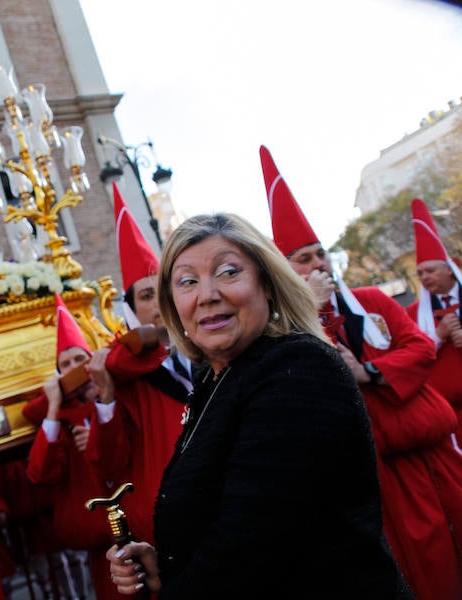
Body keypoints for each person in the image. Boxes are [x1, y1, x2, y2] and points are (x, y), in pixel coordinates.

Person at [106, 213, 409, 598]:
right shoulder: (214, 378)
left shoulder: (298, 369)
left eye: (228, 272)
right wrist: (165, 562)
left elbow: (251, 547)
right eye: (187, 281)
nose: (207, 294)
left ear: (267, 283)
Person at [260, 145, 462, 600]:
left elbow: (418, 348)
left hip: (432, 448)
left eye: (320, 254)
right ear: (286, 273)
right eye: (304, 260)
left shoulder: (372, 300)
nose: (318, 265)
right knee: (424, 569)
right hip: (380, 472)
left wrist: (370, 371)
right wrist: (309, 314)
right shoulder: (288, 329)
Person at [85, 182, 191, 545]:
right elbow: (109, 461)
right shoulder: (121, 367)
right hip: (169, 514)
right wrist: (107, 397)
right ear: (130, 311)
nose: (160, 303)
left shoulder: (207, 349)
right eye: (148, 296)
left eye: (164, 292)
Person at [22, 294, 121, 599]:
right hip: (95, 533)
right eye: (65, 364)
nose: (74, 367)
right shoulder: (60, 415)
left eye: (79, 359)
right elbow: (39, 473)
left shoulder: (119, 392)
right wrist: (54, 403)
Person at [406, 198, 462, 443]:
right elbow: (410, 355)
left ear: (449, 269)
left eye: (430, 271)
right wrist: (438, 335)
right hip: (450, 415)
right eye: (420, 273)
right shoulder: (414, 314)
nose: (424, 277)